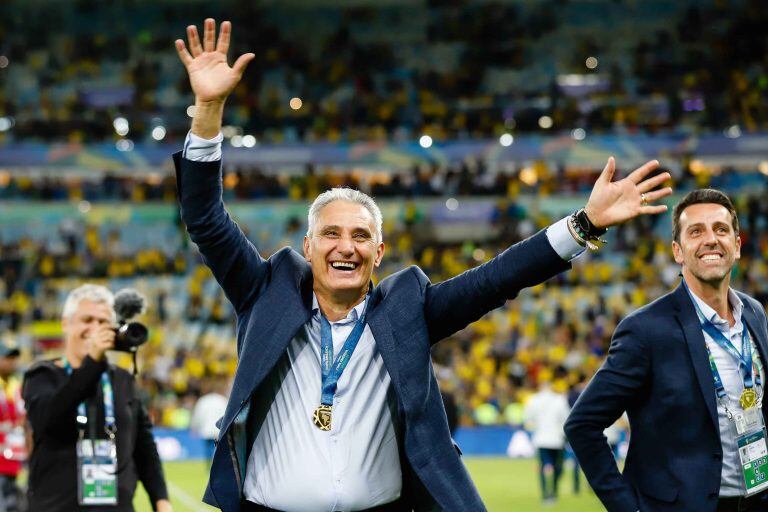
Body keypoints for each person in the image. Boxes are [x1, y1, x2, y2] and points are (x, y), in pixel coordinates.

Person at [173, 18, 671, 512]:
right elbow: (206, 219)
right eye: (331, 234)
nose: (346, 247)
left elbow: (497, 278)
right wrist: (209, 111)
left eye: (361, 236)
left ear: (379, 253)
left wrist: (584, 223)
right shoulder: (266, 293)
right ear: (307, 247)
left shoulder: (407, 310)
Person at [565, 189, 768, 512]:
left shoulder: (755, 313)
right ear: (678, 251)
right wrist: (628, 507)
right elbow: (582, 425)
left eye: (721, 229)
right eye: (696, 231)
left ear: (737, 245)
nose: (711, 240)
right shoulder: (646, 330)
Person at [21, 284, 173, 512]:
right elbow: (49, 420)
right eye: (87, 320)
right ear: (66, 324)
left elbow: (144, 447)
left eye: (103, 322)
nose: (95, 328)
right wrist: (92, 361)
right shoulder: (42, 375)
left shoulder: (122, 380)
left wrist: (161, 501)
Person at [523, 379, 570, 505]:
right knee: (558, 467)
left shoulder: (533, 400)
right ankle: (553, 492)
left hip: (541, 439)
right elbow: (566, 418)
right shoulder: (560, 400)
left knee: (543, 466)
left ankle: (545, 495)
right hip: (557, 439)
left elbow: (528, 420)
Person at [0, 341, 25, 512]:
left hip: (16, 459)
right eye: (7, 357)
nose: (12, 362)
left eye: (14, 357)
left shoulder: (16, 385)